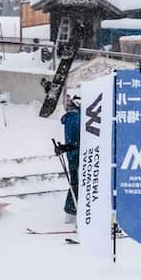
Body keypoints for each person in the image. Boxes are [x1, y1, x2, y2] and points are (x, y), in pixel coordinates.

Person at [55, 93, 81, 221]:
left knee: (76, 182)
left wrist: (66, 148)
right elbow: (78, 139)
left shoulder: (72, 117)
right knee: (78, 183)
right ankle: (72, 213)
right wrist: (69, 147)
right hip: (78, 155)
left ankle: (71, 213)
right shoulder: (76, 117)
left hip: (74, 155)